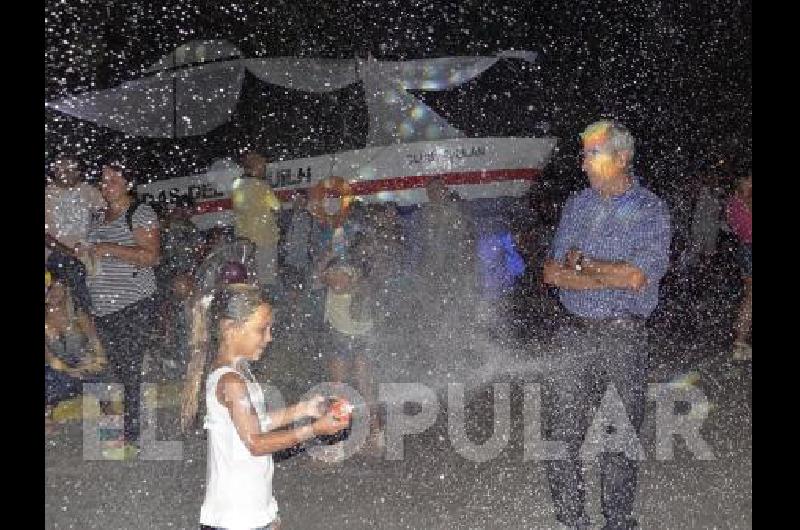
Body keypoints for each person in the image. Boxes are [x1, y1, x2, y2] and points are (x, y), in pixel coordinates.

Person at [542, 120, 671, 530]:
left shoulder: (649, 208)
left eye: (592, 154)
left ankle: (618, 521)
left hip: (623, 335)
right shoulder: (577, 205)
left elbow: (639, 277)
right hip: (573, 331)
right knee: (560, 434)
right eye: (583, 155)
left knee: (620, 438)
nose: (583, 164)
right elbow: (552, 273)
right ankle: (571, 520)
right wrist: (602, 273)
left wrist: (584, 266)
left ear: (621, 158)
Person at [180, 284, 348, 530]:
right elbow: (255, 442)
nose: (269, 337)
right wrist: (314, 430)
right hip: (236, 517)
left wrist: (303, 410)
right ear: (231, 329)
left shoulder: (239, 370)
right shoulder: (231, 381)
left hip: (248, 508)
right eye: (262, 329)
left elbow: (253, 422)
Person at [84, 161, 161, 457]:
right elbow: (94, 253)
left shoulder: (139, 213)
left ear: (129, 182)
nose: (107, 183)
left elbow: (151, 257)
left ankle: (133, 436)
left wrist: (108, 248)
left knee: (129, 369)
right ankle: (116, 432)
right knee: (111, 369)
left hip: (133, 304)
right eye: (103, 179)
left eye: (114, 178)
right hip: (103, 306)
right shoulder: (98, 216)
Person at [45, 272, 106, 433]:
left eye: (59, 289)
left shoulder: (77, 314)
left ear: (67, 292)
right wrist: (71, 371)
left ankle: (108, 416)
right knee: (50, 377)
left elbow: (96, 343)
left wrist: (97, 360)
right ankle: (47, 416)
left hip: (83, 364)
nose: (54, 294)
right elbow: (51, 359)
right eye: (51, 289)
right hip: (59, 370)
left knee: (102, 374)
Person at [45, 155, 106, 314]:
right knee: (74, 269)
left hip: (87, 252)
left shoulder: (89, 191)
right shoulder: (47, 195)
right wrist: (69, 252)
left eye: (73, 169)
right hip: (56, 256)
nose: (68, 173)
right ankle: (86, 315)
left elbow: (105, 216)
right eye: (63, 169)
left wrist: (90, 241)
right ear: (55, 171)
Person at [231, 152, 282, 291]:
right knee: (266, 280)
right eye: (263, 166)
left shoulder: (236, 185)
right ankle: (266, 306)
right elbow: (276, 206)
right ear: (256, 167)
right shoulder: (261, 186)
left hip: (244, 241)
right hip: (264, 239)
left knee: (247, 280)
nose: (265, 169)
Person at [726, 173, 752, 361]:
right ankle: (740, 342)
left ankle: (740, 343)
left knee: (749, 297)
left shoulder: (732, 203)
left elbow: (734, 227)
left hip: (744, 249)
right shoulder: (745, 202)